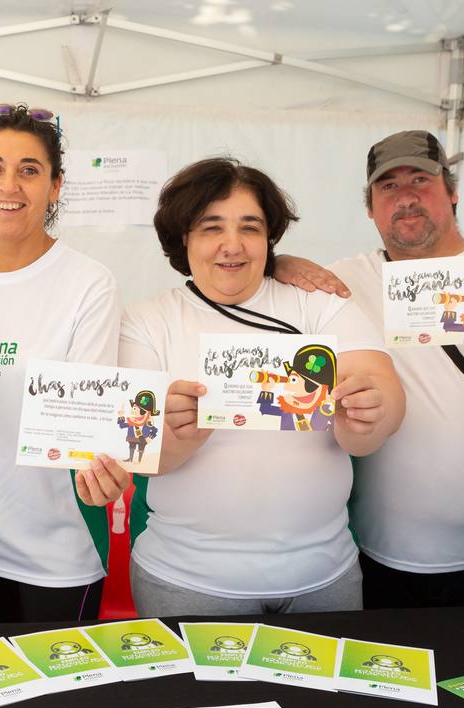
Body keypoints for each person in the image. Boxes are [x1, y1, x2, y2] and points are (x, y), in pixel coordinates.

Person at [92, 157, 403, 617]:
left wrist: (368, 415)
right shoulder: (146, 321)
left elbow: (382, 398)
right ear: (184, 237)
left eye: (250, 227)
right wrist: (179, 434)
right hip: (187, 581)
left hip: (324, 577)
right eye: (211, 227)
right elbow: (142, 455)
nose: (232, 245)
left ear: (270, 237)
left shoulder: (319, 303)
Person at [275, 130, 464, 608]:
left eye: (420, 179)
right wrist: (279, 263)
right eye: (387, 186)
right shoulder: (339, 282)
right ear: (369, 207)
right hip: (369, 553)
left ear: (452, 192)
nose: (406, 197)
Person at [0, 104, 122, 623]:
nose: (8, 185)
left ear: (56, 185)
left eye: (29, 170)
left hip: (58, 557)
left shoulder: (89, 284)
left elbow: (88, 427)